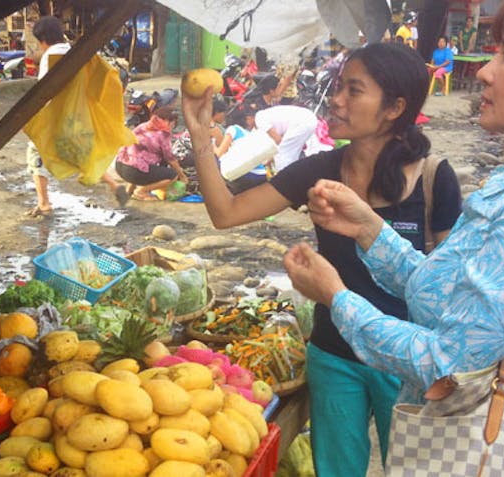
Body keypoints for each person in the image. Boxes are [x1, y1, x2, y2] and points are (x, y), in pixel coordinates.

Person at [182, 42, 462, 476]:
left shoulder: (433, 178)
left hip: (407, 360)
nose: (336, 99)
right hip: (334, 355)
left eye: (354, 90)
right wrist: (201, 135)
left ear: (395, 107)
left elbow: (451, 290)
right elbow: (226, 213)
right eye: (338, 86)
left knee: (415, 469)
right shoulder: (319, 171)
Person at [283, 0, 504, 410]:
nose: (484, 71)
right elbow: (442, 295)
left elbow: (448, 363)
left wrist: (336, 296)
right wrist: (369, 229)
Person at [25, 16, 70, 217]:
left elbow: (45, 91)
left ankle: (44, 203)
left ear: (42, 39)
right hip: (75, 114)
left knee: (36, 153)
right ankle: (113, 184)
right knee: (81, 154)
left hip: (54, 114)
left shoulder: (50, 56)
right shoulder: (72, 51)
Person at [115, 107, 187, 201]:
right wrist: (182, 175)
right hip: (134, 171)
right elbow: (170, 158)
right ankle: (141, 191)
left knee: (138, 160)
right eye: (173, 123)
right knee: (172, 175)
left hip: (120, 165)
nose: (172, 126)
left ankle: (129, 190)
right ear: (168, 122)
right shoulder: (163, 134)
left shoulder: (143, 125)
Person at [254, 105, 319, 173]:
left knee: (283, 153)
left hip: (303, 123)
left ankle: (283, 175)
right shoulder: (264, 116)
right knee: (292, 154)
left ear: (249, 118)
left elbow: (278, 140)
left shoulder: (259, 119)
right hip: (308, 120)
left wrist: (270, 158)